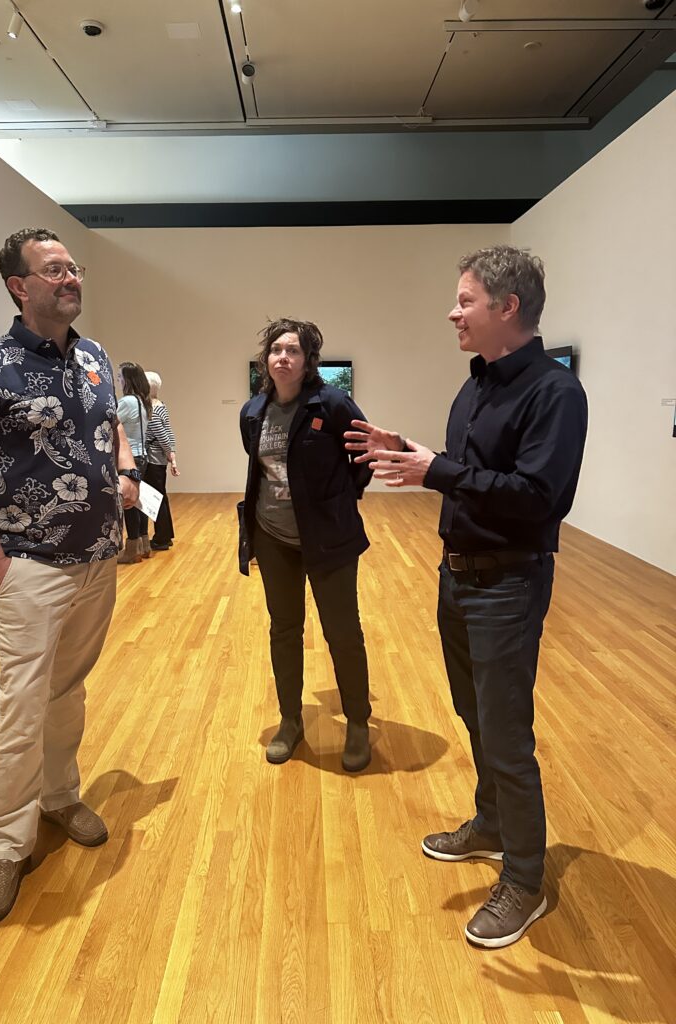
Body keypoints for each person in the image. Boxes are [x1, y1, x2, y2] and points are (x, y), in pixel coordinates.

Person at [345, 246, 588, 948]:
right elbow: (478, 470)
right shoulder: (476, 385)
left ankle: (525, 876)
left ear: (507, 308)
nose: (453, 312)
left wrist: (436, 472)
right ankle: (490, 823)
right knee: (473, 712)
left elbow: (539, 498)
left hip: (509, 581)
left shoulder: (555, 393)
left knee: (507, 733)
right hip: (459, 576)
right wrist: (417, 451)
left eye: (465, 300)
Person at [0, 227, 140, 925]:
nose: (70, 277)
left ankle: (60, 797)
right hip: (30, 565)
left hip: (96, 560)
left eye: (73, 267)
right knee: (21, 707)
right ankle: (5, 845)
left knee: (68, 690)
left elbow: (110, 428)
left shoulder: (94, 357)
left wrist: (124, 469)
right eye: (54, 269)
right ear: (19, 287)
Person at [239, 318, 374, 772]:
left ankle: (357, 722)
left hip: (329, 539)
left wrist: (338, 502)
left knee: (342, 631)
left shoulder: (332, 403)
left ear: (308, 359)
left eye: (293, 350)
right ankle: (291, 719)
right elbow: (259, 468)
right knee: (284, 629)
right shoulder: (253, 410)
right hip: (273, 536)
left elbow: (365, 456)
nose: (283, 357)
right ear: (266, 358)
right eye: (276, 349)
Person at [116, 362, 151, 563]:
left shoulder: (128, 401)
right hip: (142, 456)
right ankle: (144, 545)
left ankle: (132, 550)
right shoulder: (141, 401)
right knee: (139, 502)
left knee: (128, 503)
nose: (118, 380)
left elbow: (109, 423)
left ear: (127, 379)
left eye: (120, 376)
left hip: (130, 459)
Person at [143, 370, 179, 551]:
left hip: (152, 458)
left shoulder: (151, 409)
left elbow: (162, 433)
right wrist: (172, 454)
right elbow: (169, 433)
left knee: (155, 497)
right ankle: (165, 535)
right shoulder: (161, 405)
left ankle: (162, 537)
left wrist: (170, 453)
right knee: (160, 496)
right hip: (159, 457)